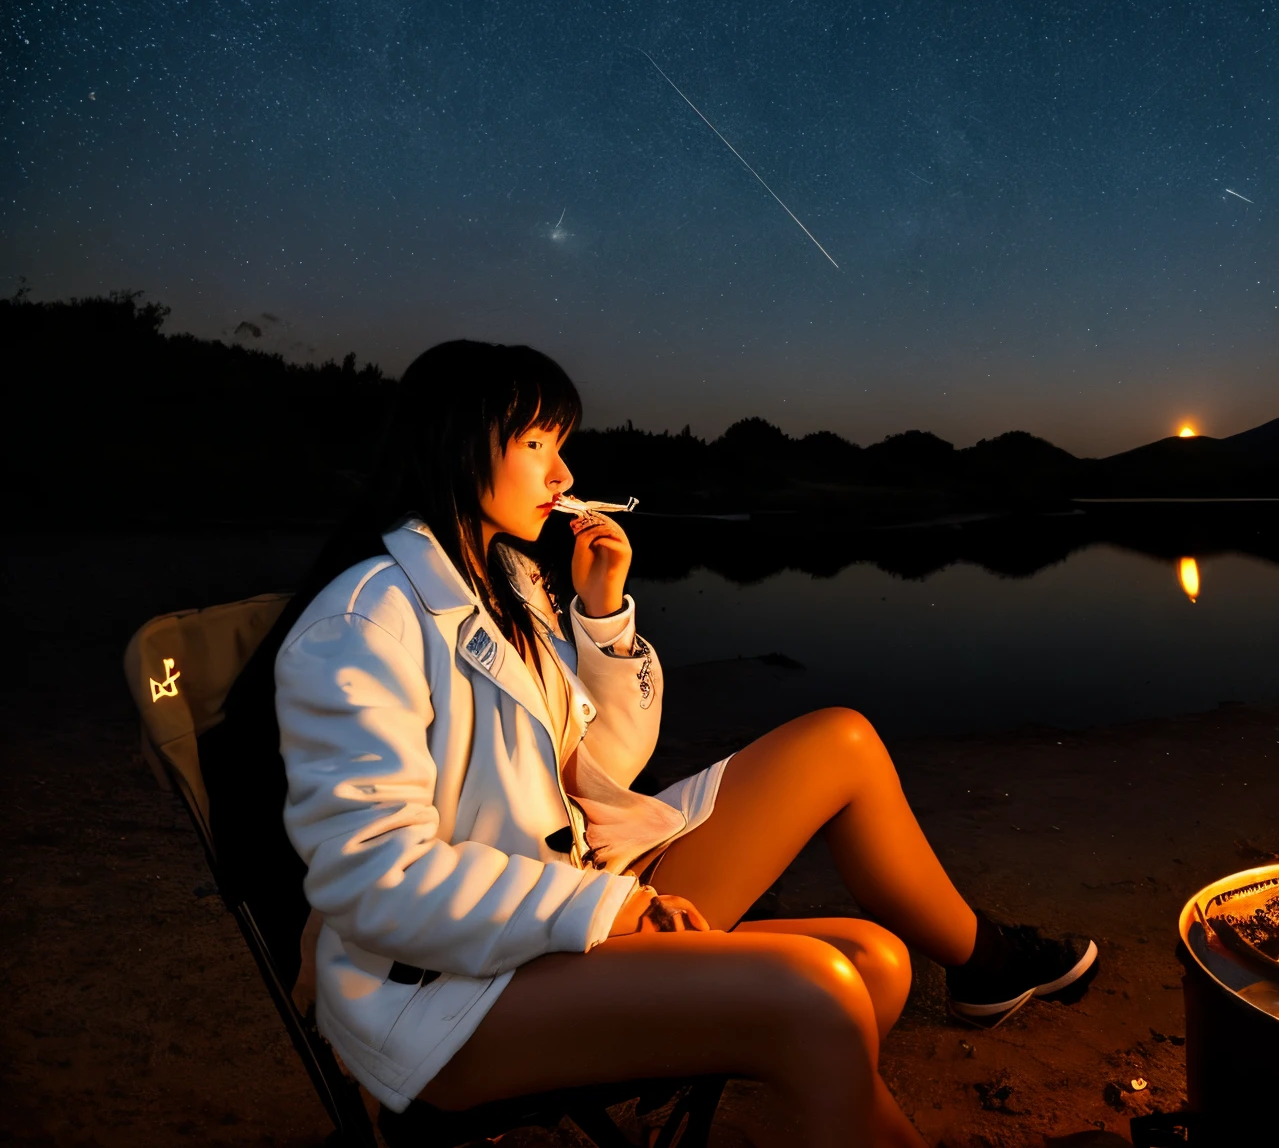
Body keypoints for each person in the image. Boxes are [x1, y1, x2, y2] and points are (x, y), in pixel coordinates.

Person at [267, 340, 1096, 1147]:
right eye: (536, 445)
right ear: (453, 445)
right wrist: (611, 907)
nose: (564, 476)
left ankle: (949, 988)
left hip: (564, 891)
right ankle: (793, 1054)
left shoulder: (506, 581)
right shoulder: (365, 619)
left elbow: (599, 768)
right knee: (818, 994)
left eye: (561, 447)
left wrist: (601, 614)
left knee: (877, 956)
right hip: (445, 994)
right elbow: (374, 878)